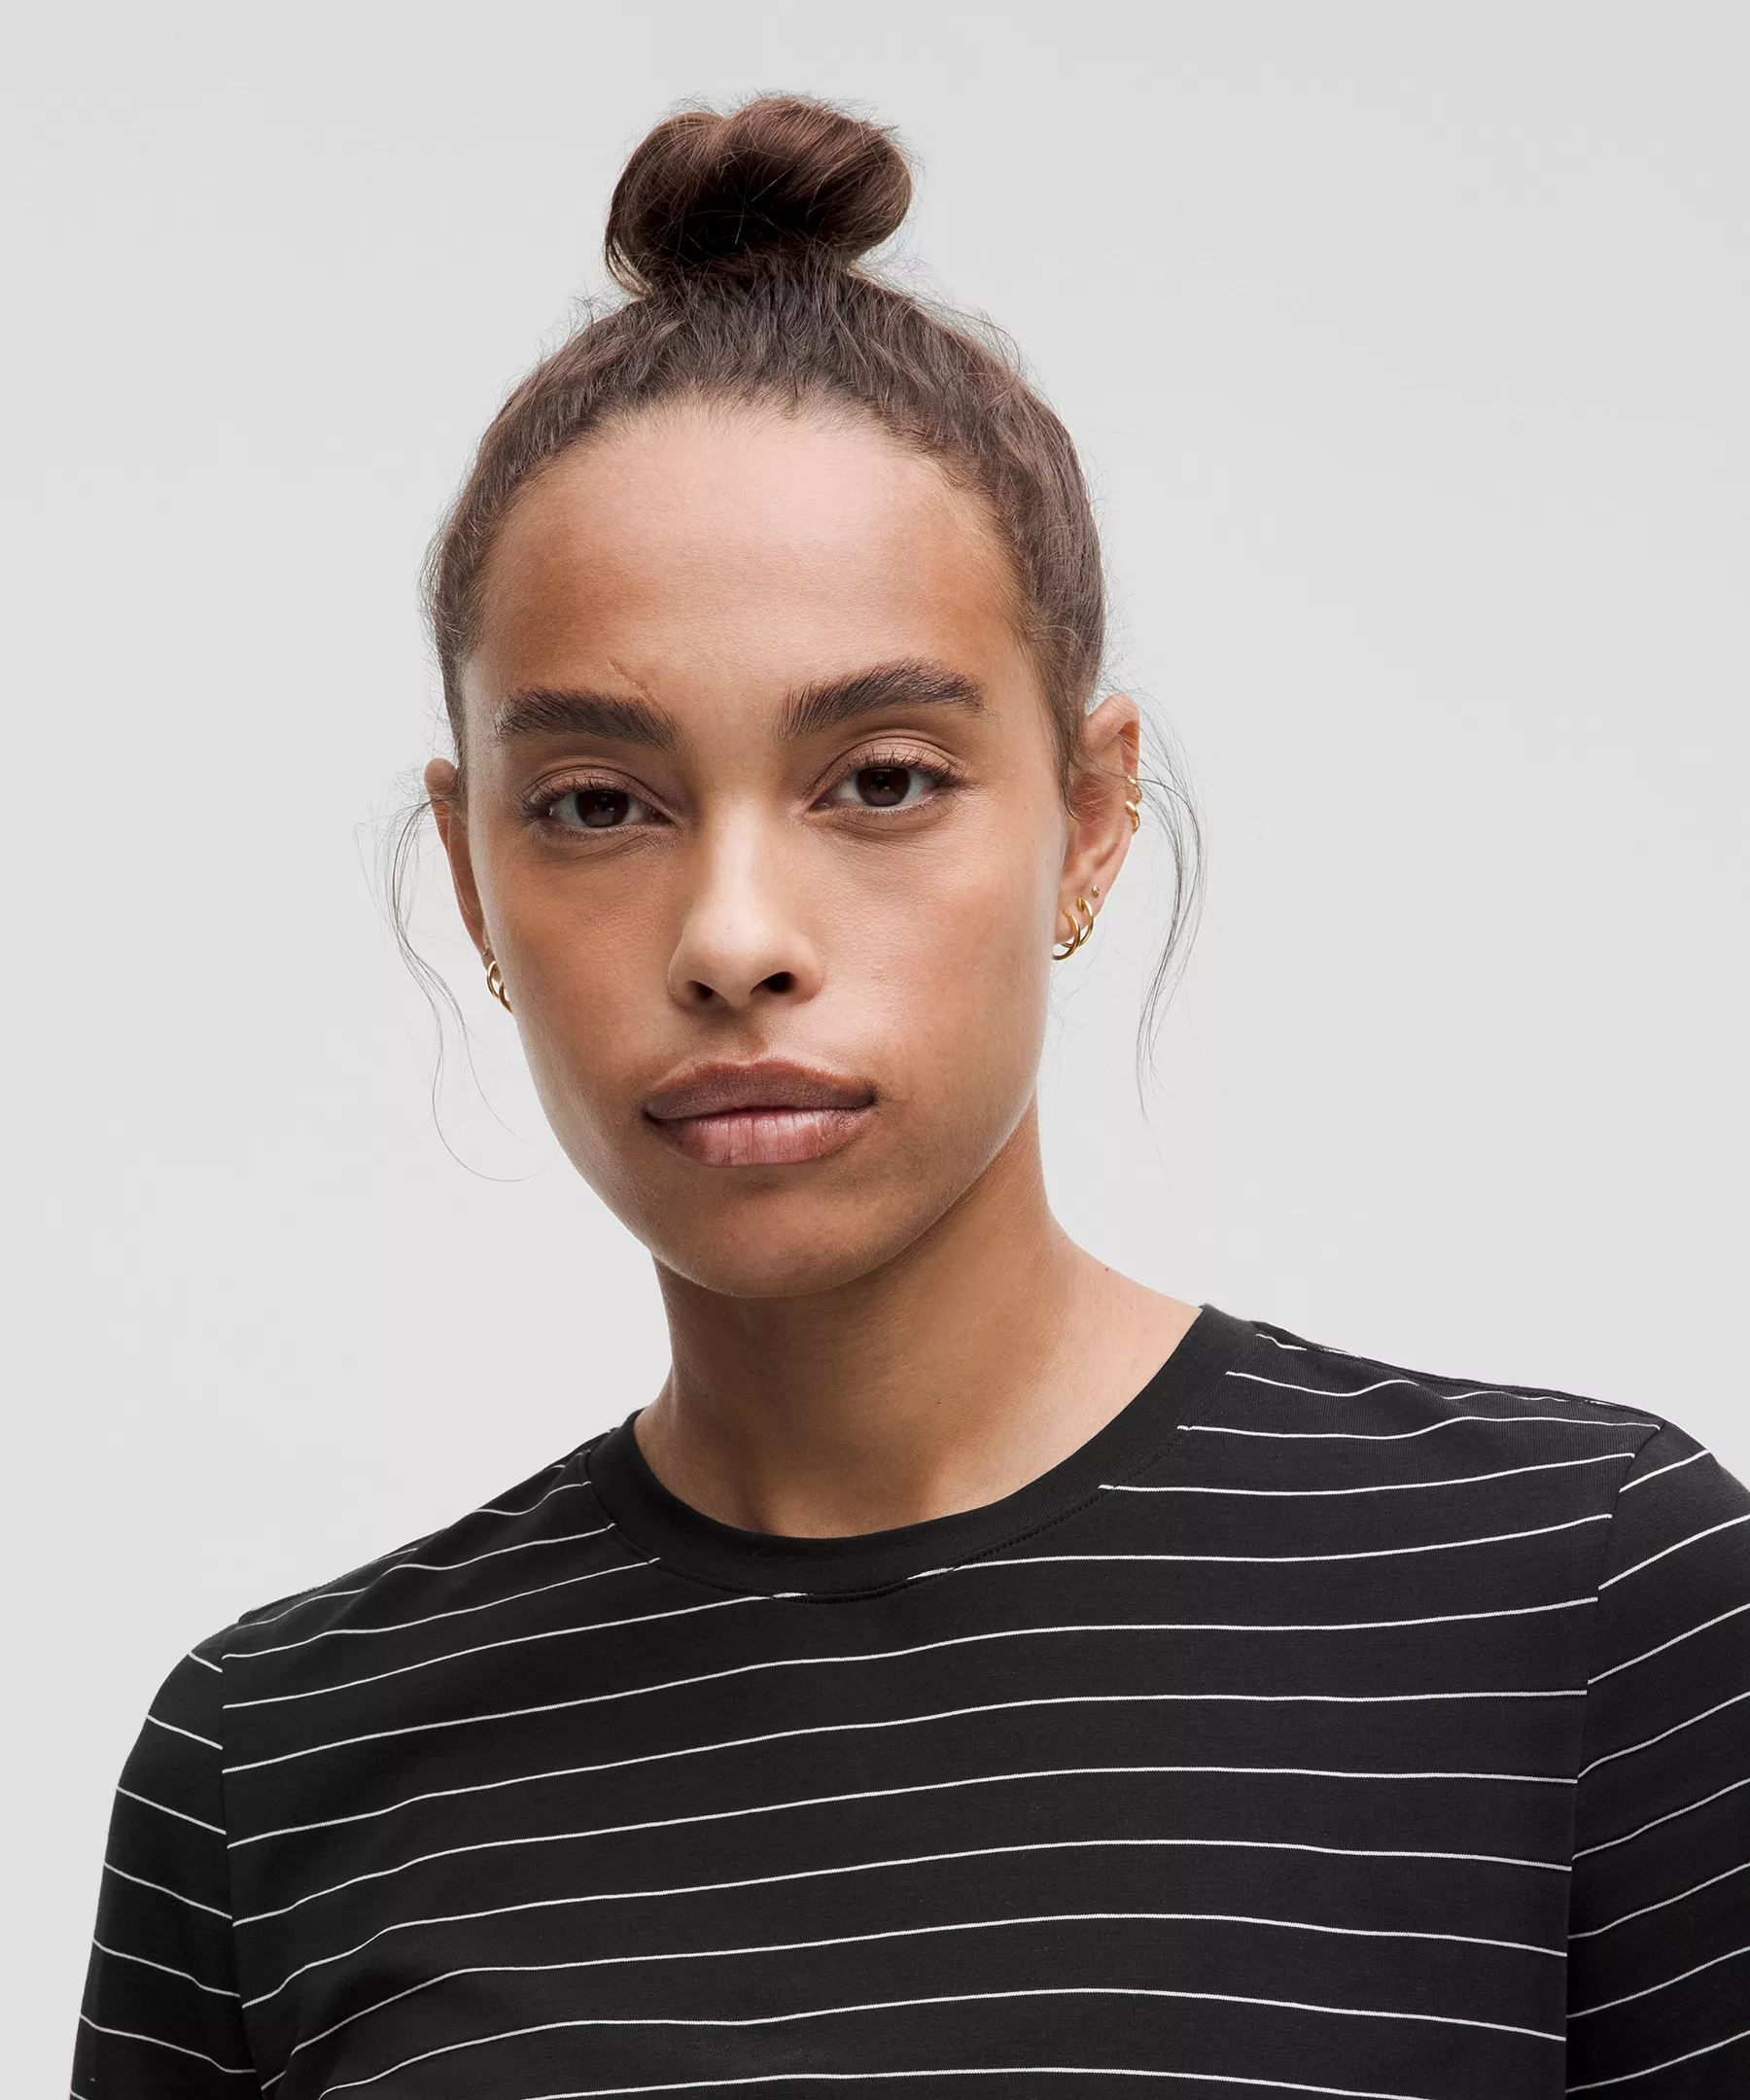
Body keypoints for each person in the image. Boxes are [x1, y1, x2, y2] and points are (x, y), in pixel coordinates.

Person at [74, 94, 1748, 2100]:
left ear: (1091, 818)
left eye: (880, 779)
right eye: (596, 804)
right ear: (472, 875)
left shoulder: (1591, 1611)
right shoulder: (272, 1769)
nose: (735, 937)